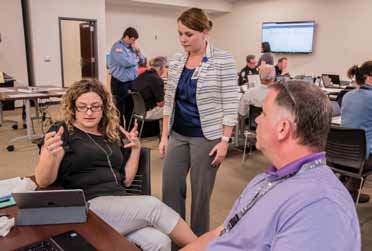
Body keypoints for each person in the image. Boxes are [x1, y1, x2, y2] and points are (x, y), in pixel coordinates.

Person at [180, 80, 361, 251]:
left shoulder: (321, 208)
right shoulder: (268, 179)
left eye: (264, 113)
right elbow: (224, 231)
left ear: (282, 129)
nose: (257, 120)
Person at [35, 79, 196, 251]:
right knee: (153, 206)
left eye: (95, 106)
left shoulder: (110, 133)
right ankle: (206, 247)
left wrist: (135, 149)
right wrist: (49, 155)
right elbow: (43, 181)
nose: (89, 112)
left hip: (119, 206)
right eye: (82, 106)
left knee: (160, 241)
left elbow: (126, 181)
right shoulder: (62, 131)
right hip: (88, 207)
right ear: (73, 108)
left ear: (104, 108)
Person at [159, 8, 239, 236]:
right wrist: (164, 135)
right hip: (178, 134)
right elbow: (168, 100)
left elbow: (230, 102)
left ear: (205, 32)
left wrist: (225, 140)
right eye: (180, 34)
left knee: (201, 195)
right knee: (171, 188)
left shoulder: (222, 59)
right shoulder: (176, 60)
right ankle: (176, 237)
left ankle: (198, 240)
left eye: (189, 34)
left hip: (207, 137)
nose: (183, 39)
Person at [341, 61, 372, 203]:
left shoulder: (347, 96)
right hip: (363, 159)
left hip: (341, 154)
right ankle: (349, 190)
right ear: (369, 78)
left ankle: (348, 187)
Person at [109, 27, 145, 127]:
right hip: (120, 82)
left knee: (131, 107)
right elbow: (126, 62)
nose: (134, 42)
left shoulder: (132, 48)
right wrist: (136, 59)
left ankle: (129, 130)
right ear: (126, 37)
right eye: (133, 40)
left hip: (132, 82)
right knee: (120, 109)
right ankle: (120, 132)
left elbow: (142, 60)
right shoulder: (117, 47)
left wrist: (138, 51)